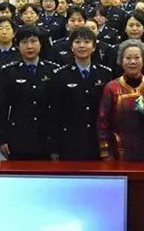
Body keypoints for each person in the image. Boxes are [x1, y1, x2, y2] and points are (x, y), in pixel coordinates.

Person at [48, 28, 113, 160]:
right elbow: (54, 112)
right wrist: (54, 146)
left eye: (87, 42)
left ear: (94, 47)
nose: (82, 46)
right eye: (77, 42)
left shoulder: (105, 73)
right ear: (71, 47)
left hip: (97, 139)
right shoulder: (60, 75)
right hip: (70, 140)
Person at [0, 25, 59, 160]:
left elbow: (58, 108)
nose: (29, 46)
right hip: (18, 136)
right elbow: (3, 107)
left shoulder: (53, 70)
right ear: (18, 46)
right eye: (24, 42)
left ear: (40, 44)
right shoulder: (8, 72)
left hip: (46, 136)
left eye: (33, 41)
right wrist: (2, 138)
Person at [97, 39, 144, 162]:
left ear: (143, 60)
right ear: (121, 60)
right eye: (128, 58)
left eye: (137, 57)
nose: (132, 61)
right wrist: (106, 153)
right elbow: (102, 122)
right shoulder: (111, 87)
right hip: (119, 150)